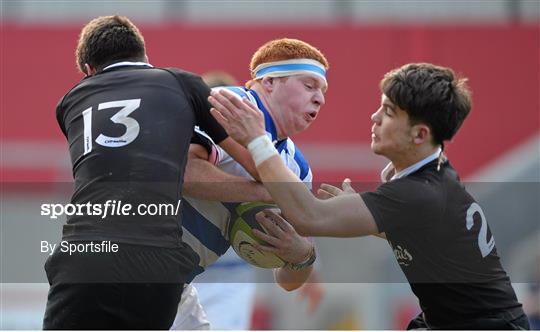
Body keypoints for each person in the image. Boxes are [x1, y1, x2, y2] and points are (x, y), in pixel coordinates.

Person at [209, 63, 530, 329]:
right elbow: (430, 240)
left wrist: (256, 139)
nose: (374, 117)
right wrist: (367, 218)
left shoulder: (416, 194)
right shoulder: (429, 179)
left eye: (389, 112)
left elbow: (310, 215)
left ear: (420, 135)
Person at [43, 15, 253, 330]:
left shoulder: (70, 101)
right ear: (144, 54)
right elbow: (250, 157)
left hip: (84, 253)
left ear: (88, 71)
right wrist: (277, 189)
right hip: (157, 260)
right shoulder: (183, 83)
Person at [171, 38, 329, 329]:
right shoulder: (229, 104)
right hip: (137, 263)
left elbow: (287, 280)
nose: (320, 98)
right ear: (269, 81)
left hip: (193, 281)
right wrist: (271, 190)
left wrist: (301, 257)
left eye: (322, 90)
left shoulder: (297, 168)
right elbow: (185, 174)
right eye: (309, 86)